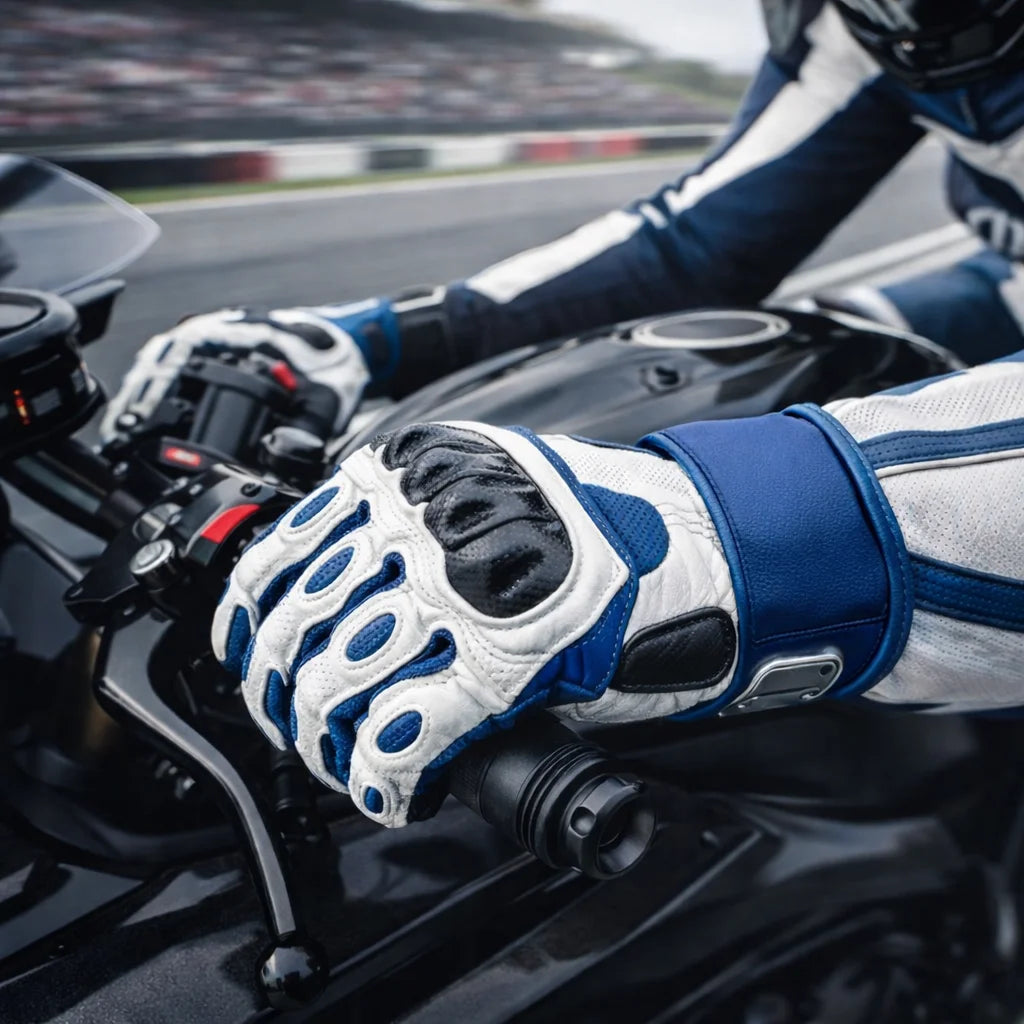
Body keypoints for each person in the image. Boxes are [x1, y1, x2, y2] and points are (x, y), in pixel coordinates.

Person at [115, 0, 1024, 826]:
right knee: (796, 351)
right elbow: (694, 241)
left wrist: (722, 537)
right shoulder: (863, 22)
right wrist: (370, 339)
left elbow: (744, 521)